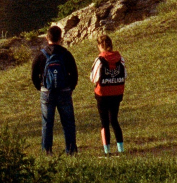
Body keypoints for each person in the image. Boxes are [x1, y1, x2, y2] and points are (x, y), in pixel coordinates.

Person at [31, 25, 79, 155]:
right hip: (64, 91)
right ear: (60, 38)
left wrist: (40, 87)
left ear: (47, 38)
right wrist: (70, 88)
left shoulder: (41, 55)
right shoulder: (66, 54)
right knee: (68, 122)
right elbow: (74, 74)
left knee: (47, 122)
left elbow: (34, 75)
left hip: (47, 92)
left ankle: (47, 151)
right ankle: (70, 150)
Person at [89, 33, 126, 155]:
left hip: (102, 95)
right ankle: (121, 149)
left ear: (100, 45)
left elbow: (93, 78)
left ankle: (107, 151)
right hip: (116, 94)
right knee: (114, 120)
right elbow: (124, 75)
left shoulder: (100, 59)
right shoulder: (120, 58)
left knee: (104, 122)